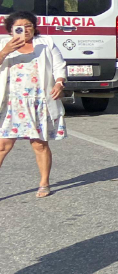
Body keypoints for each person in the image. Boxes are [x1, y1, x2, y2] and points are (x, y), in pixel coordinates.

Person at [0, 11, 68, 198]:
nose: (25, 30)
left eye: (29, 26)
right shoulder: (2, 44)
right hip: (12, 103)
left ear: (34, 27)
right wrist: (5, 51)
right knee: (3, 145)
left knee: (39, 144)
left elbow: (59, 65)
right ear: (11, 29)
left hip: (38, 101)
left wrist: (59, 82)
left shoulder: (45, 43)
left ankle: (44, 183)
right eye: (19, 27)